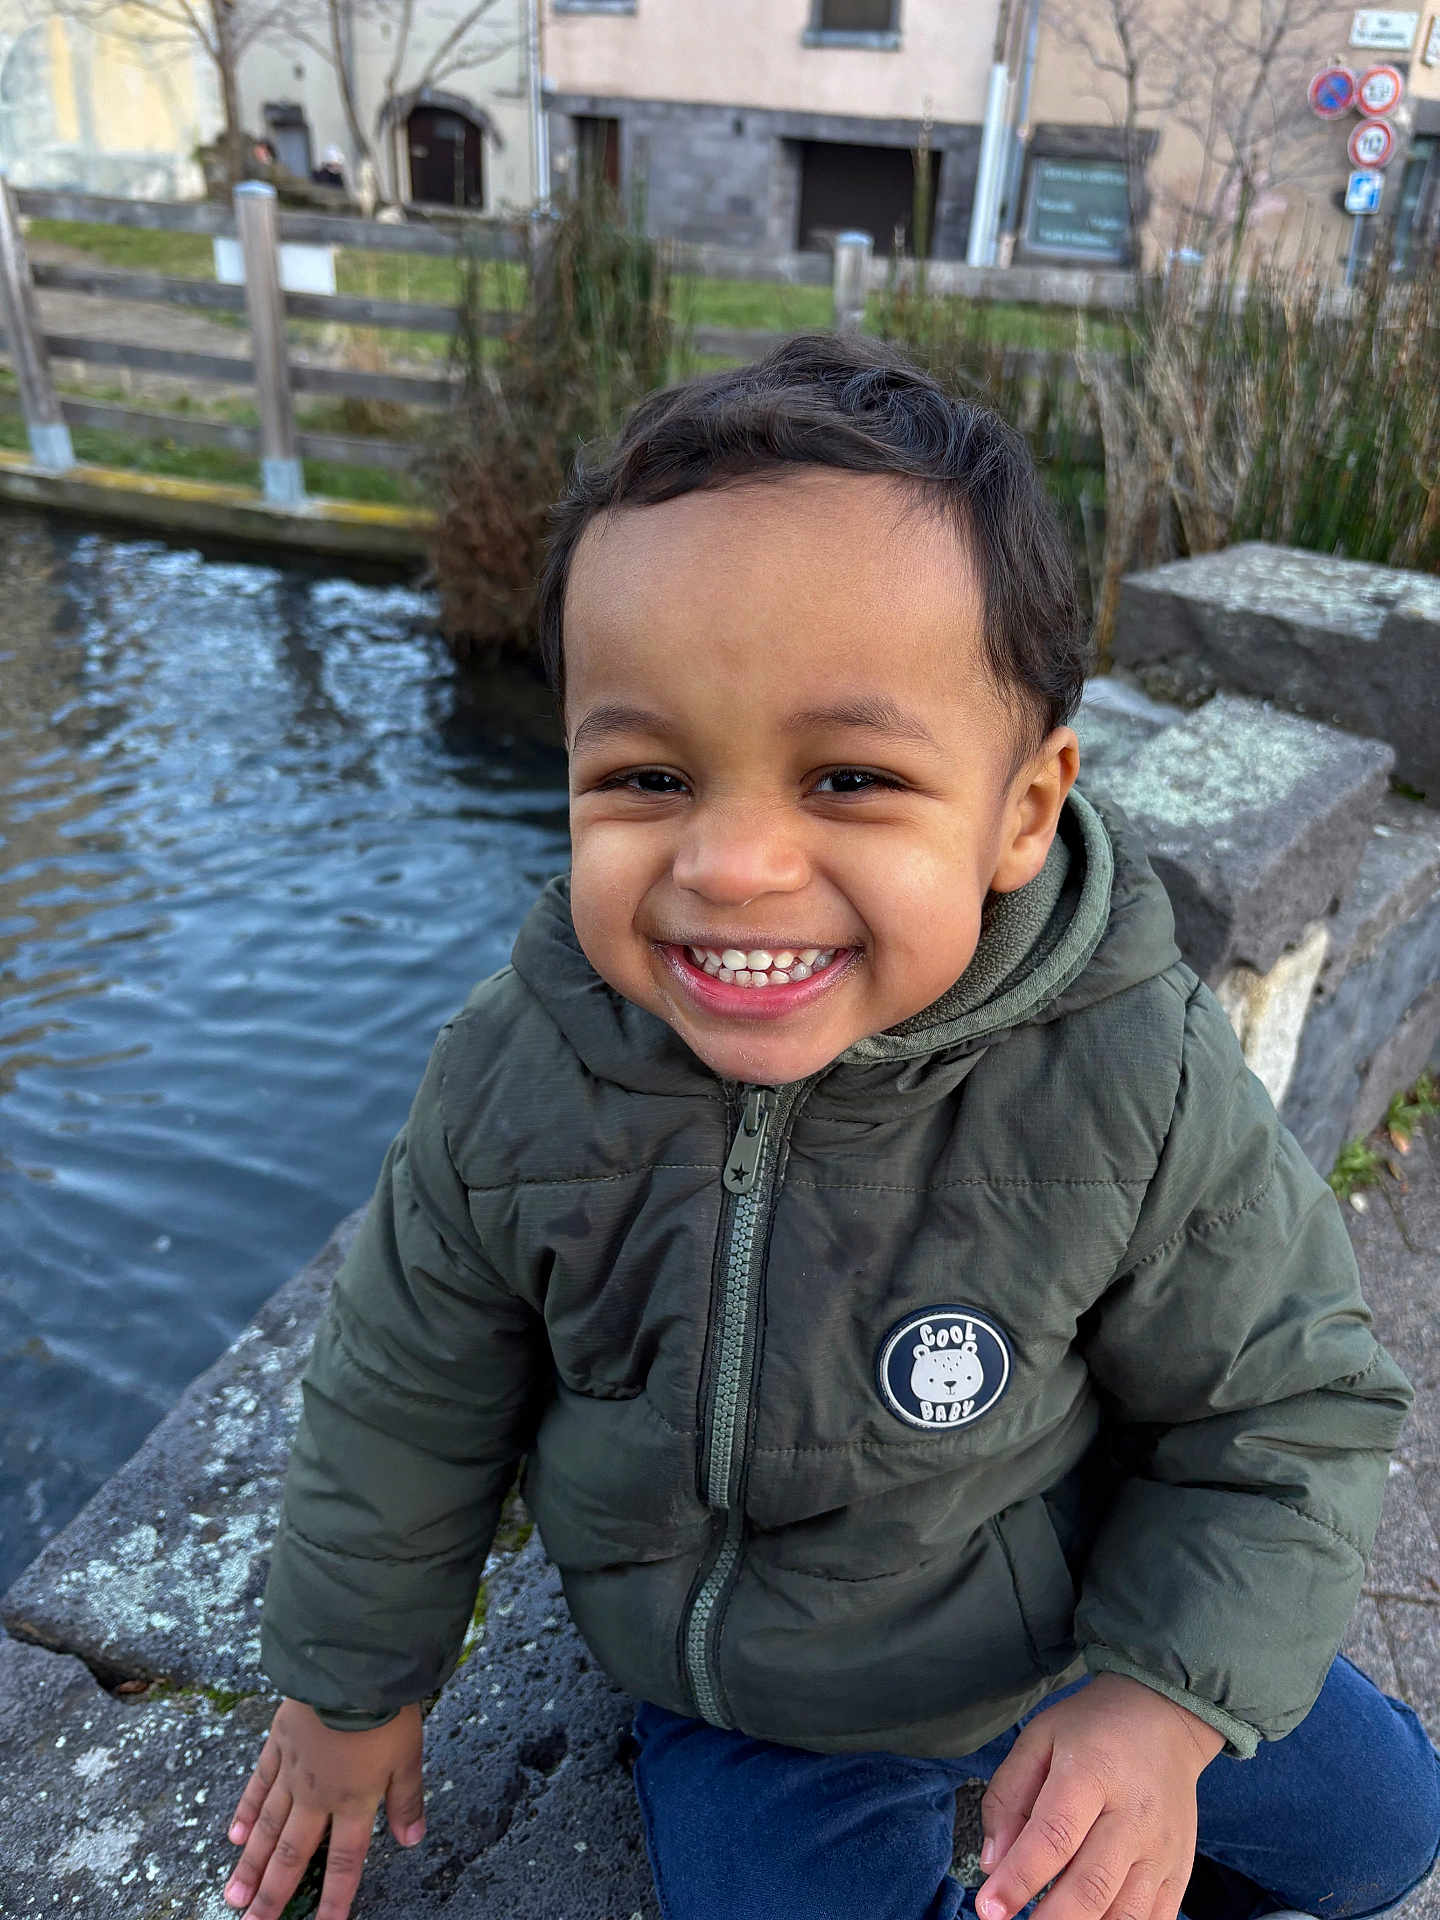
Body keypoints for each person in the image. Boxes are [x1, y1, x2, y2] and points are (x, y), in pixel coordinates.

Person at [221, 335, 1438, 1920]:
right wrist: (346, 1688)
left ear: (1023, 810)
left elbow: (1285, 1411)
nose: (730, 864)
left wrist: (1161, 1702)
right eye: (648, 774)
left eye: (849, 778)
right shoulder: (517, 1072)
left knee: (1385, 1830)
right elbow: (403, 1399)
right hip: (760, 1707)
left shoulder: (1129, 1068)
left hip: (1070, 1611)